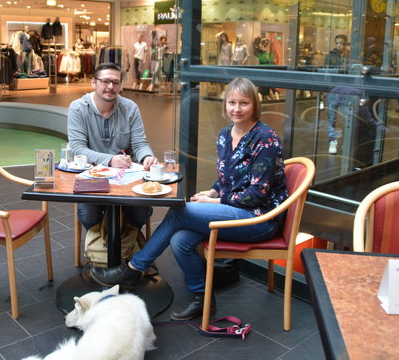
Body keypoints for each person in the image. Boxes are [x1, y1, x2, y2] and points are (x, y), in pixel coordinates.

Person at [91, 77, 288, 321]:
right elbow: (227, 178)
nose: (237, 109)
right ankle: (202, 298)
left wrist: (215, 201)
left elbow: (257, 194)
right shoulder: (226, 135)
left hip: (260, 218)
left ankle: (131, 269)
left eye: (244, 103)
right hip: (236, 210)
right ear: (225, 105)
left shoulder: (266, 138)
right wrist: (213, 191)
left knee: (180, 212)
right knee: (180, 239)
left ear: (254, 105)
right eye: (232, 102)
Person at [68, 63, 159, 235]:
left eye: (116, 82)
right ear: (93, 83)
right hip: (92, 177)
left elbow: (139, 143)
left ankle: (125, 244)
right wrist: (110, 160)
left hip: (126, 177)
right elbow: (77, 149)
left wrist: (147, 156)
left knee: (143, 212)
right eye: (105, 81)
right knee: (88, 215)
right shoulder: (78, 108)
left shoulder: (130, 108)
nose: (111, 87)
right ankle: (101, 249)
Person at [323, 34, 349, 154]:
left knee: (347, 118)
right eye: (337, 43)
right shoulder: (330, 56)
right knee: (332, 118)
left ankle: (347, 143)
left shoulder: (349, 56)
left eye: (342, 43)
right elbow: (325, 72)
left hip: (346, 90)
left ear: (346, 44)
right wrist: (325, 89)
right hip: (333, 90)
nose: (339, 45)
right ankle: (332, 141)